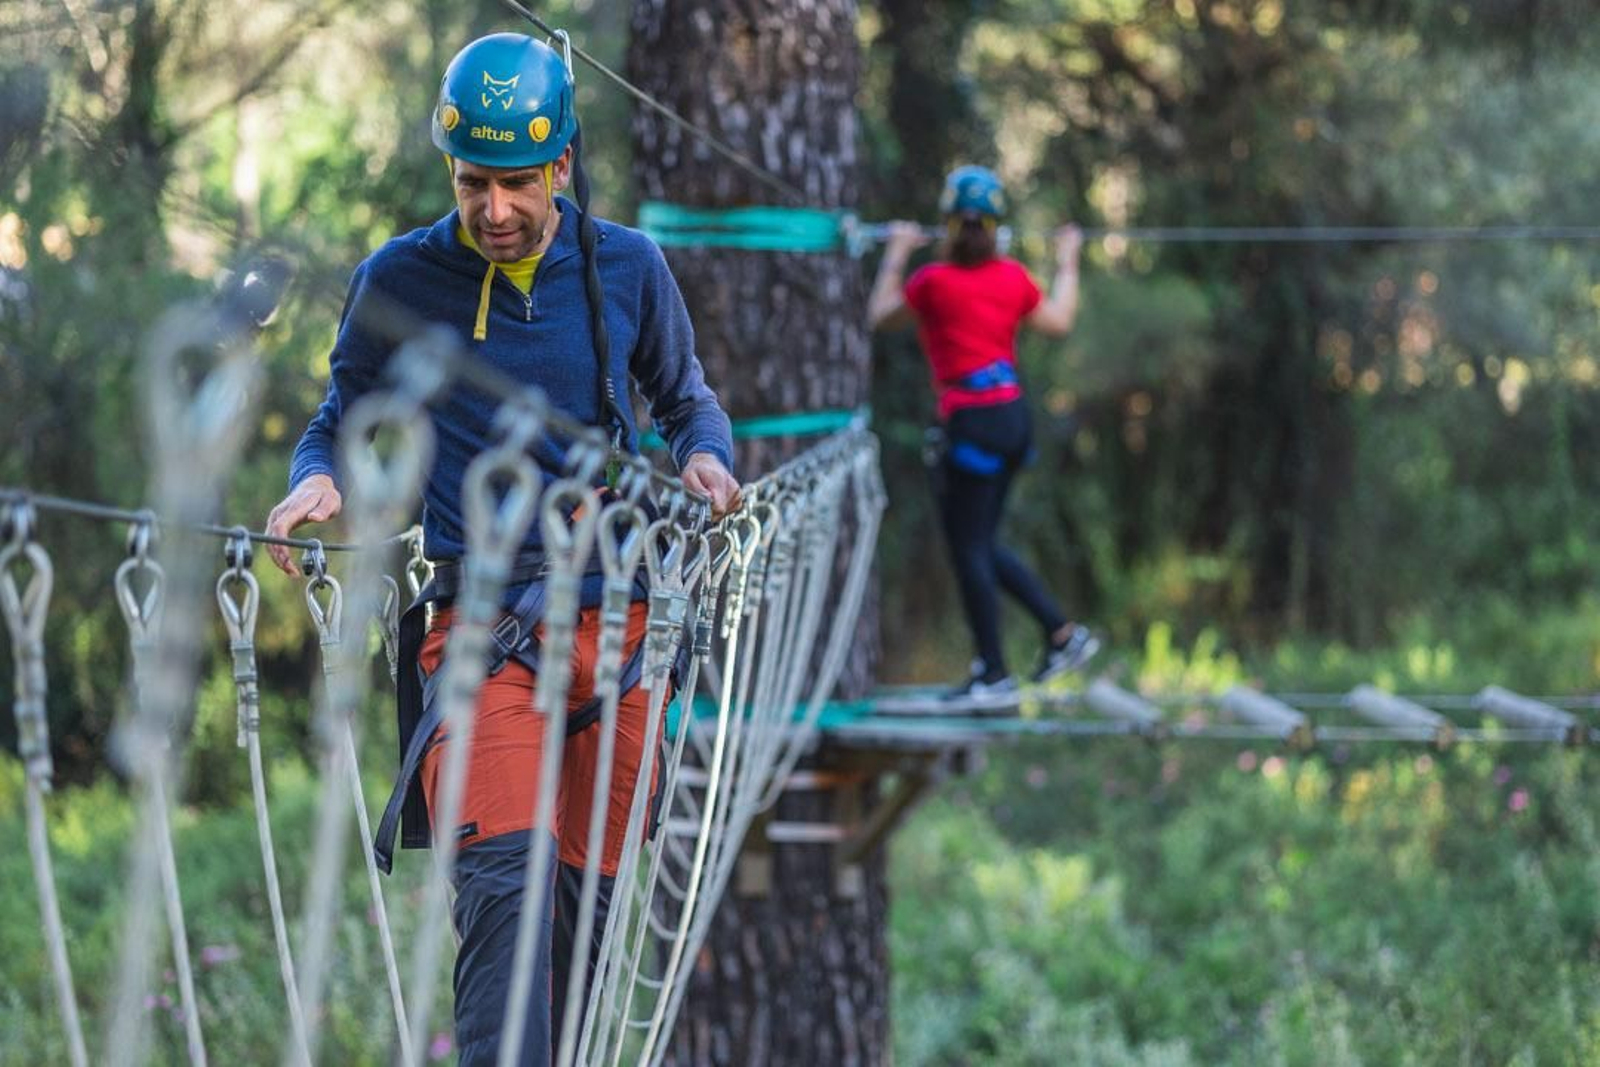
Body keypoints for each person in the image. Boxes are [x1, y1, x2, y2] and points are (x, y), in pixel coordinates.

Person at [263, 32, 741, 1066]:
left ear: (561, 165)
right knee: (504, 903)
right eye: (474, 181)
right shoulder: (402, 278)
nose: (493, 210)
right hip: (485, 637)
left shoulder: (626, 268)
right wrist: (318, 478)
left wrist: (704, 460)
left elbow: (686, 401)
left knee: (591, 920)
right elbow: (342, 413)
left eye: (516, 183)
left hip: (624, 634)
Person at [868, 164, 1097, 706]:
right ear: (996, 227)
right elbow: (1060, 320)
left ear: (948, 225)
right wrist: (1068, 260)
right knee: (982, 545)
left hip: (972, 425)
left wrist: (898, 251)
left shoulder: (932, 284)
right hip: (1012, 420)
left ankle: (997, 670)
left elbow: (879, 315)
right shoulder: (1012, 279)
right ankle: (1060, 636)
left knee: (971, 548)